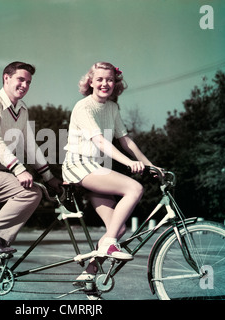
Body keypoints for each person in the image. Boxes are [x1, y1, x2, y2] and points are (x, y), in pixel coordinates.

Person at [62, 62, 161, 284]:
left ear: (115, 83)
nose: (105, 83)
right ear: (91, 82)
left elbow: (126, 140)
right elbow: (99, 140)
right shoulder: (83, 107)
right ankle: (107, 245)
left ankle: (88, 275)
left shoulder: (113, 109)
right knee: (134, 188)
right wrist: (128, 163)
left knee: (118, 226)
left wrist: (150, 165)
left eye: (109, 79)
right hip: (78, 165)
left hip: (96, 168)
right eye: (100, 79)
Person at [0, 61, 61, 255]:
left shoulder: (22, 109)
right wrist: (19, 169)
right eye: (20, 79)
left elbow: (30, 145)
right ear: (6, 78)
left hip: (1, 175)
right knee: (31, 193)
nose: (25, 85)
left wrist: (49, 177)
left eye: (28, 82)